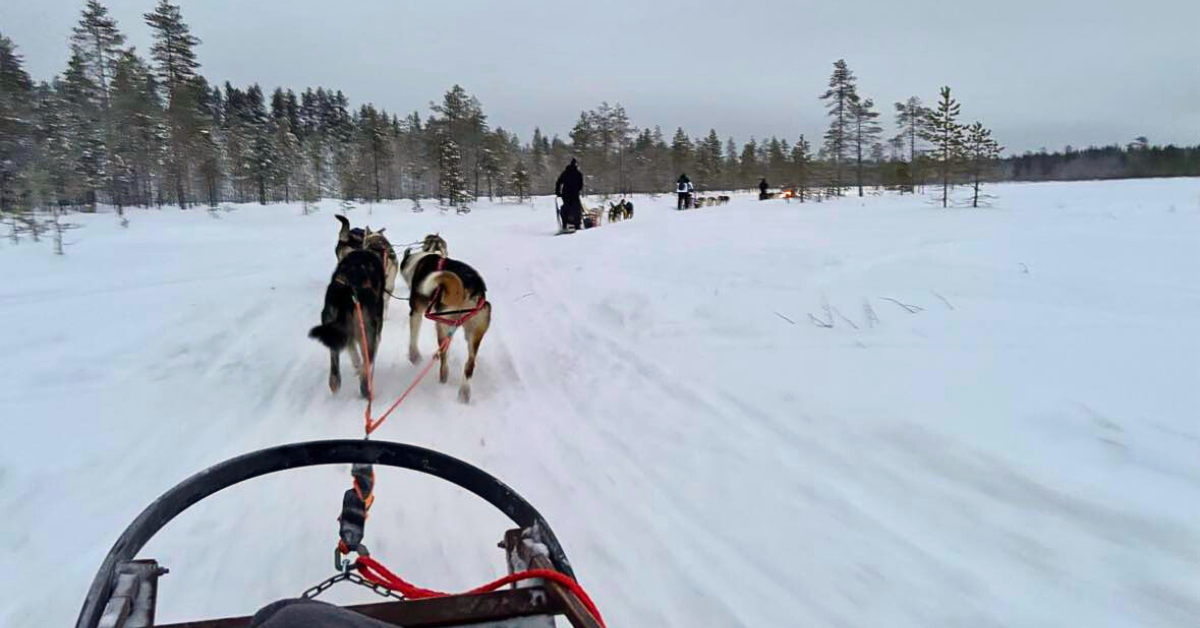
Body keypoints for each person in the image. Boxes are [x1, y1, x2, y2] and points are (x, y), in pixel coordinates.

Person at [555, 158, 584, 231]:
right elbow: (580, 185)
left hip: (565, 194)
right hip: (574, 194)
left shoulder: (565, 173)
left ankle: (565, 225)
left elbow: (558, 182)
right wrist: (577, 190)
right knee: (576, 209)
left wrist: (558, 192)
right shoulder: (578, 174)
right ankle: (577, 225)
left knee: (566, 209)